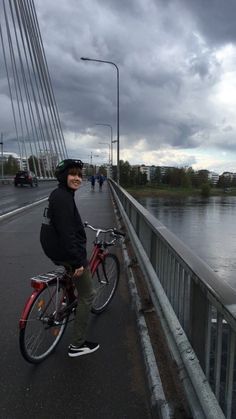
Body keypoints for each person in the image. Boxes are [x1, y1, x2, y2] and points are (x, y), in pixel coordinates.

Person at [40, 159, 99, 358]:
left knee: (74, 285)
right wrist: (78, 263)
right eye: (72, 174)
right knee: (88, 294)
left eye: (80, 175)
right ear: (64, 176)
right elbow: (67, 234)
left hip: (54, 248)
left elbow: (64, 226)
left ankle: (68, 299)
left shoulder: (60, 194)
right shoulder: (64, 199)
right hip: (65, 252)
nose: (77, 178)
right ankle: (77, 345)